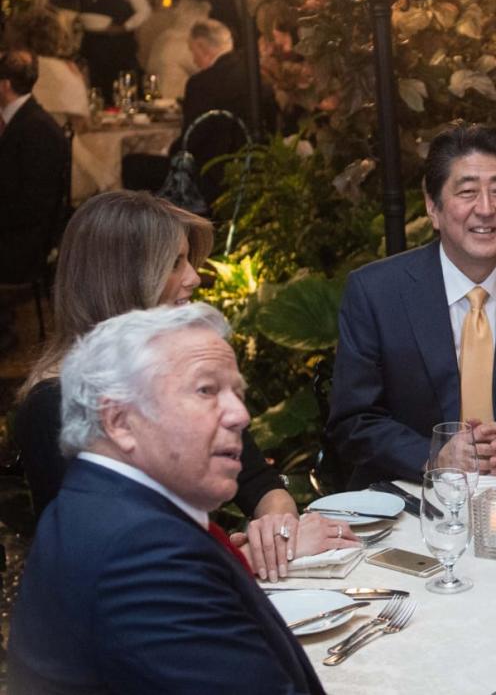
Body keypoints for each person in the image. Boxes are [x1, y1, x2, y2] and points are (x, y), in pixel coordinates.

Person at [14, 191, 356, 580]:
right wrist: (244, 558)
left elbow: (260, 483)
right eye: (175, 263)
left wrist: (275, 535)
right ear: (122, 279)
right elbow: (118, 567)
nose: (194, 277)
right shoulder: (56, 405)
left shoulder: (184, 371)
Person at [8, 304, 326, 693]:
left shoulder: (96, 504)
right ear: (120, 421)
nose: (240, 415)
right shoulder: (141, 552)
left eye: (237, 394)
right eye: (207, 390)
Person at [329, 123, 496, 487]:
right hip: (412, 498)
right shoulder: (375, 292)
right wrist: (434, 455)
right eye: (467, 191)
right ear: (432, 207)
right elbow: (354, 420)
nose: (485, 209)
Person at [0, 50, 67, 351]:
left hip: (23, 244)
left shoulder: (35, 129)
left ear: (4, 85)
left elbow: (32, 206)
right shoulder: (25, 121)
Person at [181, 19, 275, 205]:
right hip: (259, 168)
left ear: (202, 47)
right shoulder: (256, 76)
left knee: (133, 165)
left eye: (193, 52)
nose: (193, 60)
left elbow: (190, 140)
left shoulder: (201, 84)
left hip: (213, 176)